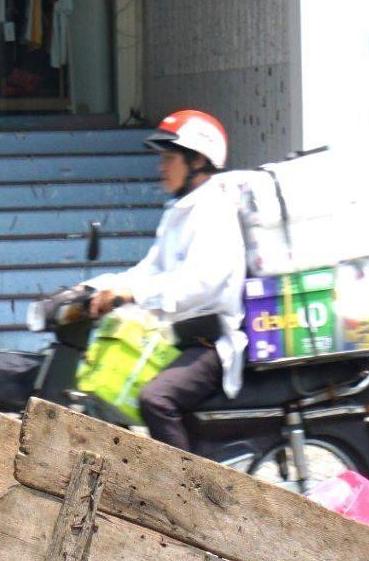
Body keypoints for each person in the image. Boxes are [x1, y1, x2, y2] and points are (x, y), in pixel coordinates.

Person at [84, 108, 247, 455]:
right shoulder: (180, 211)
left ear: (198, 160)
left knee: (155, 399)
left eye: (170, 158)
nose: (162, 166)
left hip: (209, 343)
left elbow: (201, 282)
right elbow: (148, 270)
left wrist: (134, 294)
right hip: (177, 335)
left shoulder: (214, 210)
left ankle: (183, 499)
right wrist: (98, 288)